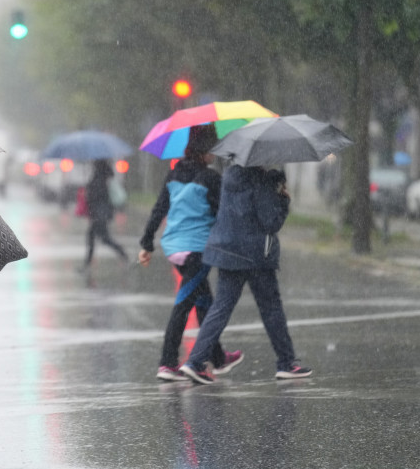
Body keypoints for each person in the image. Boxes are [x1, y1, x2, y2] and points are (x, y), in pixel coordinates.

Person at [179, 164, 312, 384]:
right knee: (271, 308)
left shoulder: (231, 175)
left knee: (221, 308)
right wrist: (283, 200)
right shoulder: (262, 180)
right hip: (255, 254)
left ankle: (195, 361)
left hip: (227, 250)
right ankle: (287, 362)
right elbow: (271, 222)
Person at [139, 124, 243, 381]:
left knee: (203, 301)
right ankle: (168, 363)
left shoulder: (173, 174)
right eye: (213, 148)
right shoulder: (211, 178)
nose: (215, 153)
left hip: (174, 247)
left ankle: (217, 357)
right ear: (204, 150)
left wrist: (147, 243)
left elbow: (159, 208)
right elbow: (223, 213)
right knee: (184, 305)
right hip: (198, 249)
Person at [82, 159, 128, 269]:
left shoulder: (99, 178)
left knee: (102, 238)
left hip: (100, 214)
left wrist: (88, 190)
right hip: (101, 213)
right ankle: (87, 264)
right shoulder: (104, 177)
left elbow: (96, 196)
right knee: (95, 237)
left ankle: (123, 254)